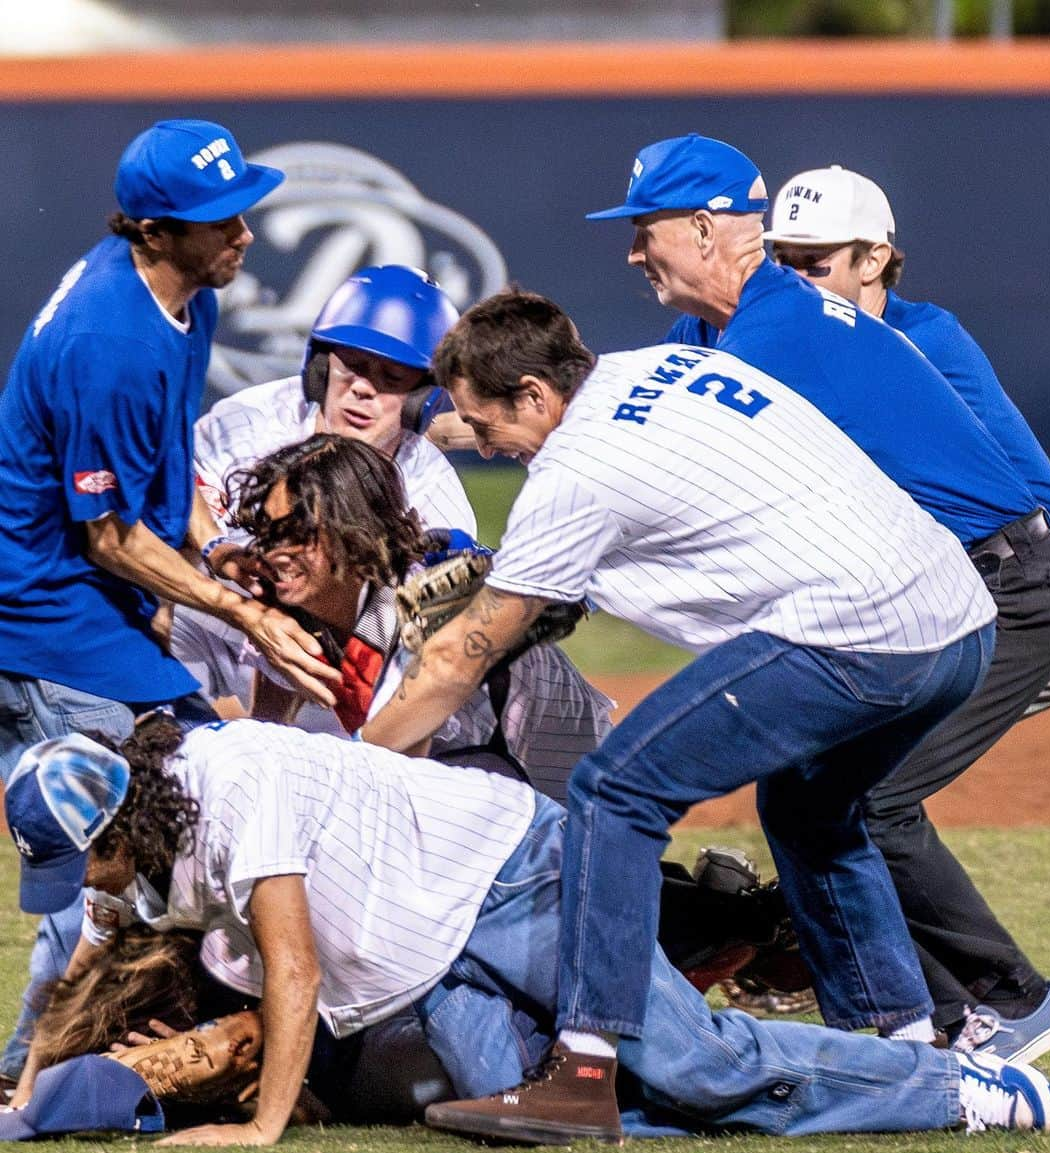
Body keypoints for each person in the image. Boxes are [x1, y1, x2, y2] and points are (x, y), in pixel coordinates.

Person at [355, 287, 1004, 1142]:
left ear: (538, 397)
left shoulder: (572, 477)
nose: (484, 447)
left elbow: (451, 663)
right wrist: (432, 429)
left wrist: (352, 767)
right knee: (809, 811)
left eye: (486, 426)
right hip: (956, 623)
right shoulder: (665, 365)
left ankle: (583, 1069)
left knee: (613, 793)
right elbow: (582, 450)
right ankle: (910, 1046)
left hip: (859, 635)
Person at [588, 134, 1050, 1061]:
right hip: (939, 587)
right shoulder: (730, 329)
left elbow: (1012, 480)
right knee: (809, 793)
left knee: (869, 796)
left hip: (1010, 585)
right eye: (789, 256)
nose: (630, 250)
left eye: (642, 230)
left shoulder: (837, 335)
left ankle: (1004, 1002)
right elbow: (632, 404)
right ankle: (902, 1019)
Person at [4, 725, 1050, 1146]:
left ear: (117, 826)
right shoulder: (136, 845)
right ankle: (792, 1091)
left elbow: (293, 963)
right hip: (436, 959)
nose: (78, 884)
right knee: (548, 1120)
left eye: (75, 859)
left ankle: (961, 1093)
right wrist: (22, 1086)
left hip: (519, 876)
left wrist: (261, 1127)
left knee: (689, 1062)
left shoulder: (235, 785)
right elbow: (80, 961)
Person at [0, 119, 339, 1087]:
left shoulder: (185, 297)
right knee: (105, 846)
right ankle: (28, 1069)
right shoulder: (103, 338)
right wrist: (246, 614)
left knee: (185, 806)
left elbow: (166, 467)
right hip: (45, 619)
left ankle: (135, 1039)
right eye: (216, 221)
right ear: (153, 229)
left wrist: (219, 546)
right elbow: (106, 534)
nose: (243, 234)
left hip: (90, 608)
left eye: (241, 210)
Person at [763, 163, 1050, 719]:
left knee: (865, 748)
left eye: (813, 265)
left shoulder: (921, 341)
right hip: (985, 590)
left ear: (875, 261)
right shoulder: (827, 339)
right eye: (781, 263)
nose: (792, 281)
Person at [226, 431, 613, 803]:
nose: (274, 551)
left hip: (553, 772)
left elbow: (397, 772)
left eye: (297, 533)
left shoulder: (430, 598)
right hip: (468, 767)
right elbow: (267, 734)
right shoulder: (293, 615)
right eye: (267, 532)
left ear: (352, 527)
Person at [170, 263, 477, 722]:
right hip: (217, 619)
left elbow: (425, 656)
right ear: (320, 365)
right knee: (139, 613)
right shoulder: (247, 422)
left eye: (391, 377)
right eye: (352, 365)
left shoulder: (431, 497)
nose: (362, 389)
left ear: (424, 398)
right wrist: (218, 555)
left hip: (332, 666)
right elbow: (168, 500)